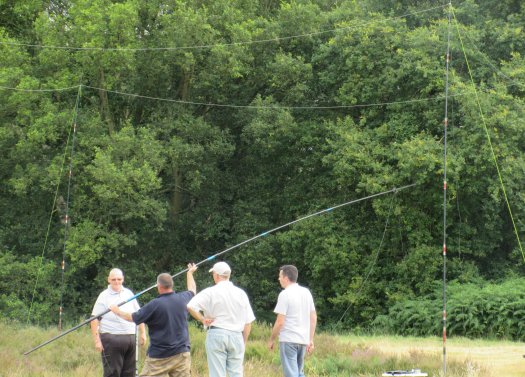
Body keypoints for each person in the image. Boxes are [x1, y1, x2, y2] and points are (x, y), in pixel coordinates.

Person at [109, 264, 197, 377]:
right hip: (182, 353)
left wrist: (117, 311)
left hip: (159, 357)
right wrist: (189, 273)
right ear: (172, 285)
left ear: (159, 286)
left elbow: (132, 317)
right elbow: (192, 290)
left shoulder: (154, 305)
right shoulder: (183, 298)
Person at [187, 261, 256, 377]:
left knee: (217, 374)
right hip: (237, 336)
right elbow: (248, 322)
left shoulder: (210, 291)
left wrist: (202, 319)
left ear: (216, 275)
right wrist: (242, 342)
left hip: (217, 334)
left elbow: (190, 306)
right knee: (237, 374)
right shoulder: (241, 293)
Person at [90, 268, 147, 377]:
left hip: (130, 338)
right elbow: (94, 319)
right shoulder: (104, 296)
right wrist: (97, 340)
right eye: (114, 279)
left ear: (123, 279)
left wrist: (143, 332)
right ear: (109, 280)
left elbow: (138, 314)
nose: (116, 282)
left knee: (130, 373)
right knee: (113, 373)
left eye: (119, 279)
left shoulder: (129, 293)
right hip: (111, 339)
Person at [267, 265, 317, 377]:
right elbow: (313, 317)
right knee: (299, 373)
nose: (278, 279)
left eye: (280, 276)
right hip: (303, 340)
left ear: (286, 278)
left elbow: (280, 322)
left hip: (288, 340)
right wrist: (310, 339)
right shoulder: (306, 292)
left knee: (291, 374)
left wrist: (271, 339)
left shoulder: (285, 294)